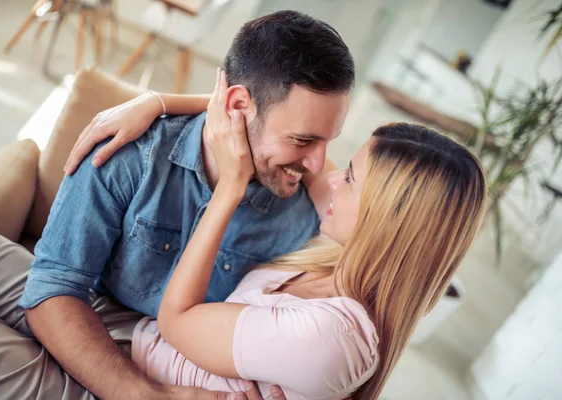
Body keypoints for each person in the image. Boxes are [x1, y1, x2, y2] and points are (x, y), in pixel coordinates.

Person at [0, 10, 354, 400]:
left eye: (327, 141)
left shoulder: (307, 217)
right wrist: (161, 102)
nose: (319, 165)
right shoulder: (132, 152)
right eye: (303, 140)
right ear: (236, 106)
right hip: (90, 311)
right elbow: (54, 286)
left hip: (174, 363)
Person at [74, 69, 488, 399]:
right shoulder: (339, 268)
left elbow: (176, 320)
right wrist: (158, 102)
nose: (331, 177)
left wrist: (229, 190)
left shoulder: (331, 338)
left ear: (386, 221)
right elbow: (275, 125)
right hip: (131, 340)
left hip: (122, 376)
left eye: (349, 177)